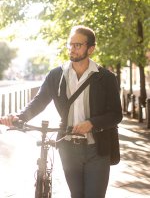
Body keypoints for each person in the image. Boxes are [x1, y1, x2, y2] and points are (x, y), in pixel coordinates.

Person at [0, 25, 122, 198]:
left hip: (97, 149)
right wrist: (19, 117)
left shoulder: (106, 78)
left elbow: (116, 114)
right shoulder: (56, 75)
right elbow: (39, 102)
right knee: (76, 195)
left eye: (77, 45)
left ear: (91, 49)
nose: (72, 49)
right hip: (68, 148)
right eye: (70, 44)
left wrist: (92, 123)